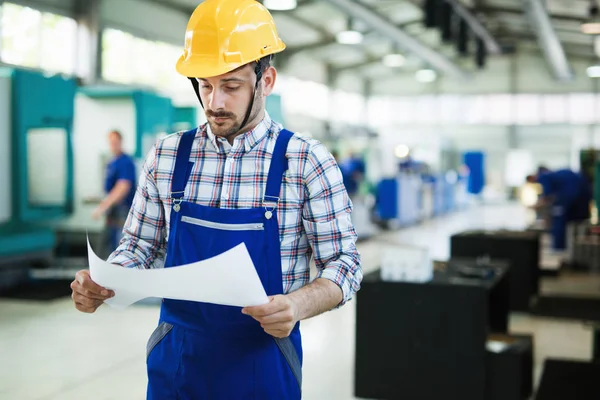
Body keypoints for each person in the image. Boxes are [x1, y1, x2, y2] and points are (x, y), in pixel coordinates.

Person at [70, 1, 362, 399]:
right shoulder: (169, 155)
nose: (215, 103)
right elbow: (139, 245)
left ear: (267, 80)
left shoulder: (306, 161)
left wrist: (297, 305)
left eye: (231, 86)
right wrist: (105, 282)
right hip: (177, 364)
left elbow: (344, 265)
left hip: (263, 363)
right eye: (205, 85)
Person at [92, 130, 136, 252]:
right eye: (111, 142)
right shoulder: (112, 162)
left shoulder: (125, 162)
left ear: (121, 142)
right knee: (110, 246)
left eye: (115, 142)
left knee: (121, 248)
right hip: (113, 212)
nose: (113, 145)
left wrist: (103, 207)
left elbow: (123, 187)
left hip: (123, 212)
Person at [527, 167, 591, 251]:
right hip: (583, 196)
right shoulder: (558, 174)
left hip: (568, 197)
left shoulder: (543, 177)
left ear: (532, 178)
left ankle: (558, 248)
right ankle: (578, 248)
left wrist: (536, 205)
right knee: (578, 223)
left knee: (559, 222)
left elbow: (546, 196)